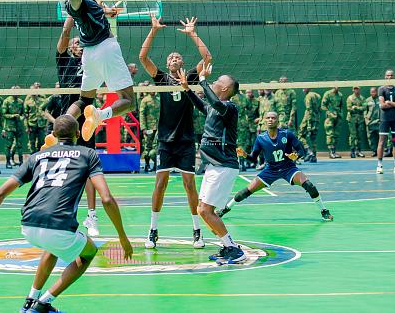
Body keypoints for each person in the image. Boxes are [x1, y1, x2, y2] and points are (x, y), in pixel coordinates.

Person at [0, 115, 133, 313]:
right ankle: (42, 304)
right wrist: (122, 237)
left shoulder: (36, 157)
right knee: (88, 253)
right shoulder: (87, 154)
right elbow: (106, 199)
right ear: (78, 133)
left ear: (53, 134)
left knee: (52, 247)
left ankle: (30, 300)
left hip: (28, 225)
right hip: (58, 226)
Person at [139, 13, 212, 250]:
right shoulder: (161, 78)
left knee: (189, 185)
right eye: (170, 57)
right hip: (165, 140)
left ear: (181, 63)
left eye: (177, 57)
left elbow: (207, 57)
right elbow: (142, 57)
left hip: (185, 140)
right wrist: (153, 30)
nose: (173, 58)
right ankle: (153, 230)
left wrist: (193, 34)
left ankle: (197, 230)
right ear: (167, 63)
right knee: (160, 184)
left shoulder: (189, 77)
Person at [58, 0, 135, 142]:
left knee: (84, 100)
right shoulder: (75, 1)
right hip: (105, 48)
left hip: (90, 54)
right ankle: (100, 115)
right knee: (128, 101)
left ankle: (58, 130)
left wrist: (105, 11)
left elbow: (89, 10)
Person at [178, 64, 245, 264]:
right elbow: (203, 105)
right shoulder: (215, 108)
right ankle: (228, 246)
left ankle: (234, 249)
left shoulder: (229, 108)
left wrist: (202, 81)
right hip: (213, 165)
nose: (214, 82)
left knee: (206, 211)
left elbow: (214, 102)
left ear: (224, 88)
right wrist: (187, 89)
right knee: (202, 210)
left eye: (217, 81)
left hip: (224, 165)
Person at [221, 111, 332, 221]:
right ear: (264, 121)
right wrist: (245, 155)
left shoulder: (287, 134)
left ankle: (324, 211)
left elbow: (301, 151)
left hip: (288, 168)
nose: (270, 120)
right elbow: (253, 159)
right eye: (268, 118)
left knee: (309, 185)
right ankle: (225, 209)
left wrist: (296, 156)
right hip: (270, 170)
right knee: (248, 190)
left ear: (278, 121)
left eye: (273, 118)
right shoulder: (260, 138)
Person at [54, 20, 100, 237]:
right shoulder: (64, 62)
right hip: (67, 122)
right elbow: (62, 42)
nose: (78, 46)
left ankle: (92, 216)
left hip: (86, 121)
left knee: (89, 170)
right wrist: (69, 23)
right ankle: (60, 212)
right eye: (75, 43)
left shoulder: (92, 63)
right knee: (63, 170)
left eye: (81, 43)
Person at [376, 69, 395, 174]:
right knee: (382, 141)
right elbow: (382, 105)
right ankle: (379, 166)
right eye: (388, 75)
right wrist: (394, 104)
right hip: (384, 119)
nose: (390, 77)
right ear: (385, 77)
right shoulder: (381, 89)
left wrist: (390, 103)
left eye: (391, 75)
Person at [1, 86, 25, 169]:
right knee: (8, 145)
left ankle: (21, 162)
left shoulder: (21, 101)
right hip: (9, 127)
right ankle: (8, 162)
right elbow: (3, 114)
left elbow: (23, 113)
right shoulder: (7, 101)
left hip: (18, 127)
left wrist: (21, 117)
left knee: (20, 145)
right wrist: (13, 116)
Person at [298, 88, 321, 162]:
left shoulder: (308, 96)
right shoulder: (318, 96)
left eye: (304, 87)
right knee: (313, 138)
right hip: (316, 119)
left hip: (308, 119)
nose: (303, 89)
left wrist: (308, 124)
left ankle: (308, 152)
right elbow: (319, 109)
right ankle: (314, 156)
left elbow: (309, 110)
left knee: (300, 135)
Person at [139, 89, 159, 173]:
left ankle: (156, 165)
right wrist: (143, 128)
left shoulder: (158, 99)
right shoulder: (145, 100)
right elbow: (142, 114)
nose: (153, 91)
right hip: (149, 127)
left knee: (157, 146)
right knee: (147, 146)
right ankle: (147, 165)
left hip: (158, 127)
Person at [321, 87, 344, 159]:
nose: (337, 87)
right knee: (330, 134)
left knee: (336, 134)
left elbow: (341, 106)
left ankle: (334, 151)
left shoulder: (340, 95)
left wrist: (341, 114)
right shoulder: (327, 94)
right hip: (330, 118)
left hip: (338, 117)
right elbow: (323, 106)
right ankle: (331, 152)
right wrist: (329, 113)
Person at [24, 84, 47, 154]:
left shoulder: (43, 100)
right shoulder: (27, 102)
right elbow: (25, 115)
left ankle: (40, 155)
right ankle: (32, 155)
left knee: (42, 141)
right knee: (32, 142)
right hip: (31, 125)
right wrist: (26, 127)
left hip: (41, 125)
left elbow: (47, 112)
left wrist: (46, 123)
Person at [346, 86, 366, 158]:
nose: (356, 90)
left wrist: (356, 107)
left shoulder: (363, 98)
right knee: (353, 135)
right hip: (352, 119)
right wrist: (354, 108)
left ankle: (358, 151)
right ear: (353, 90)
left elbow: (364, 107)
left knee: (359, 136)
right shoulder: (350, 98)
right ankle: (352, 151)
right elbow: (349, 108)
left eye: (357, 89)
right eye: (355, 89)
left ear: (359, 90)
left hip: (360, 119)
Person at [364, 87, 380, 157]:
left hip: (379, 121)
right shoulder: (367, 100)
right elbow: (365, 110)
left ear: (377, 92)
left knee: (381, 137)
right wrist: (366, 119)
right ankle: (374, 151)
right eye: (371, 92)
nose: (373, 93)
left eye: (374, 92)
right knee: (371, 137)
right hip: (370, 121)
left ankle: (381, 150)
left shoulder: (380, 99)